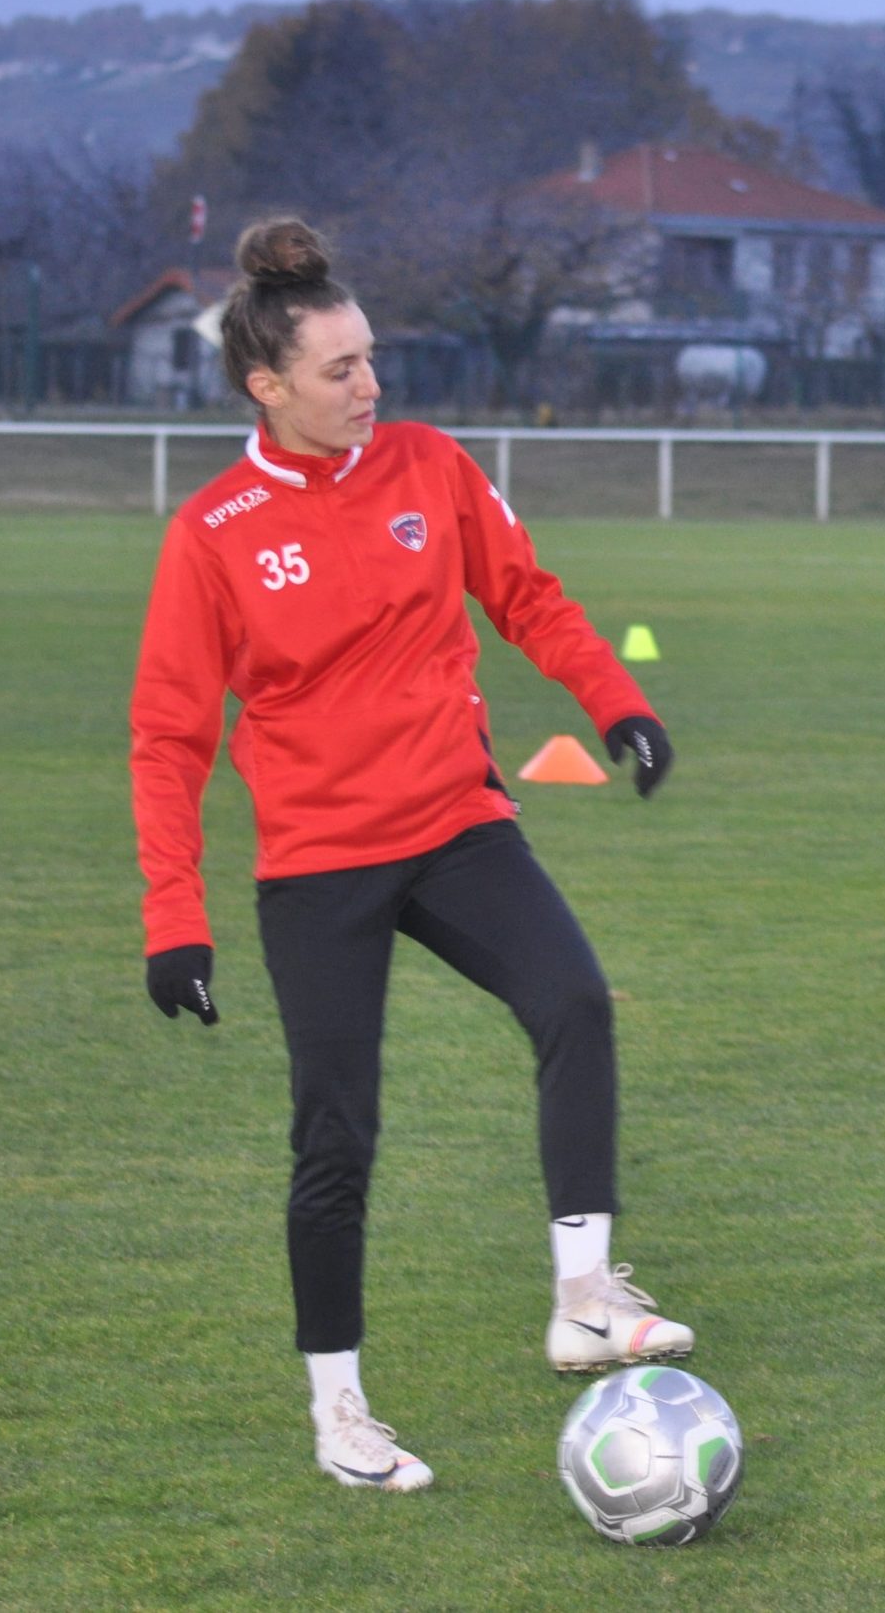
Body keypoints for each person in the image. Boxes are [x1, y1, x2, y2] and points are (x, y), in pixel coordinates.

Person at [130, 218, 693, 1495]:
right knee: (337, 1138)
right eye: (339, 370)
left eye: (372, 358)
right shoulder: (214, 531)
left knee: (577, 1000)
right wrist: (177, 916)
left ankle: (586, 1296)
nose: (369, 385)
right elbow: (167, 736)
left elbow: (528, 594)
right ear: (267, 386)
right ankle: (341, 1412)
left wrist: (617, 704)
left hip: (456, 824)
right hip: (318, 862)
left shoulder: (433, 465)